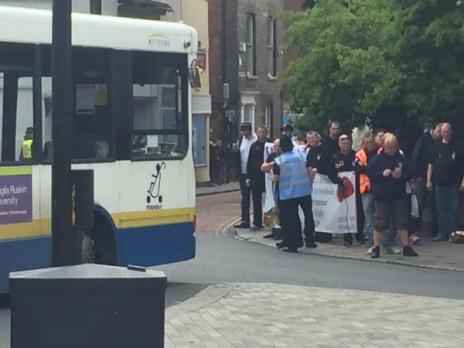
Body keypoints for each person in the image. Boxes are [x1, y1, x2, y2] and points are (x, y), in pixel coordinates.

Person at [367, 134, 418, 258]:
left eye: (394, 147)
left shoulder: (401, 158)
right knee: (380, 222)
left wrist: (401, 176)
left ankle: (406, 247)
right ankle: (376, 247)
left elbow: (411, 172)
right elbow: (370, 173)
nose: (392, 150)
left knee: (402, 222)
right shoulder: (378, 159)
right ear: (384, 146)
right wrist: (382, 174)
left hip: (399, 195)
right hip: (383, 196)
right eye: (389, 147)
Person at [273, 135, 316, 252]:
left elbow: (275, 178)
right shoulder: (302, 156)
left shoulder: (278, 161)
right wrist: (309, 184)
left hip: (288, 194)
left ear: (280, 148)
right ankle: (310, 240)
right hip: (304, 191)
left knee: (292, 219)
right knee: (308, 216)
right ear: (292, 146)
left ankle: (294, 243)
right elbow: (310, 172)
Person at [426, 123, 464, 241]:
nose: (446, 134)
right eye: (444, 132)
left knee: (453, 209)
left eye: (448, 131)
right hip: (439, 183)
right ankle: (441, 233)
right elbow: (431, 164)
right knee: (440, 209)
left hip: (453, 182)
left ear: (451, 132)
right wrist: (428, 181)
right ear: (441, 133)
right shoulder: (436, 146)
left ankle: (452, 234)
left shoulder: (457, 146)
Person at [327, 134, 360, 246]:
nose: (345, 144)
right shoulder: (335, 158)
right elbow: (330, 174)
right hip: (343, 189)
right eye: (343, 142)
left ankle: (359, 236)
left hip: (356, 189)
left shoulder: (355, 155)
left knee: (358, 211)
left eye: (347, 142)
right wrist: (339, 181)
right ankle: (347, 237)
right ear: (339, 144)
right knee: (345, 212)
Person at [356, 133, 379, 253]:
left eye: (371, 142)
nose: (369, 144)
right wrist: (372, 169)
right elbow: (358, 169)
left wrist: (368, 168)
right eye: (367, 142)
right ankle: (371, 243)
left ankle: (384, 243)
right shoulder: (360, 154)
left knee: (381, 218)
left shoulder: (380, 151)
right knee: (369, 219)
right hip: (366, 190)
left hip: (380, 189)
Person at [234, 122, 257, 229]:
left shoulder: (256, 139)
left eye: (245, 131)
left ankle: (257, 221)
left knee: (256, 197)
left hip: (254, 172)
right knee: (245, 197)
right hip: (243, 172)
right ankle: (245, 220)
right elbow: (238, 155)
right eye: (242, 131)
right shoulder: (241, 139)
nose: (243, 133)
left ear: (250, 130)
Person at [246, 126, 269, 231]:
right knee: (256, 201)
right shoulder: (254, 146)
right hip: (256, 177)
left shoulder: (269, 145)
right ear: (257, 133)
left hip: (268, 176)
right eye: (259, 132)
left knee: (270, 200)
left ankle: (271, 223)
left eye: (263, 132)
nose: (261, 134)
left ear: (266, 133)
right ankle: (257, 222)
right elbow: (249, 162)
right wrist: (248, 177)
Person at [261, 139, 283, 240]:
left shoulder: (284, 156)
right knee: (273, 209)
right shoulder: (272, 156)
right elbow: (263, 167)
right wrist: (271, 165)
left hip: (283, 186)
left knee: (279, 209)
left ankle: (281, 231)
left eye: (278, 146)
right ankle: (274, 230)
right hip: (273, 186)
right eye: (275, 146)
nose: (276, 148)